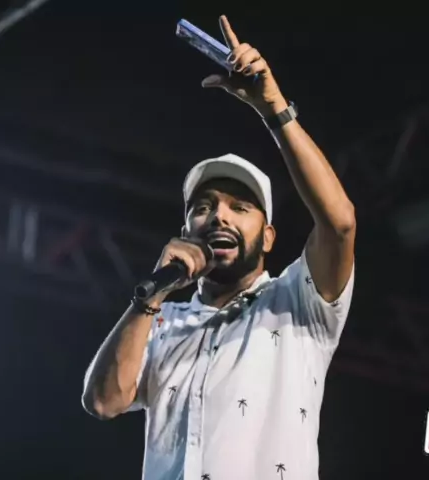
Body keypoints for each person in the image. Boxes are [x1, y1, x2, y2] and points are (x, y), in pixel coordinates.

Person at [82, 15, 356, 480]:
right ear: (186, 229)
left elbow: (340, 224)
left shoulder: (298, 301)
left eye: (239, 207)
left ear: (268, 236)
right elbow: (104, 401)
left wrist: (273, 109)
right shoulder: (160, 320)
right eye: (204, 207)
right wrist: (148, 299)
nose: (219, 217)